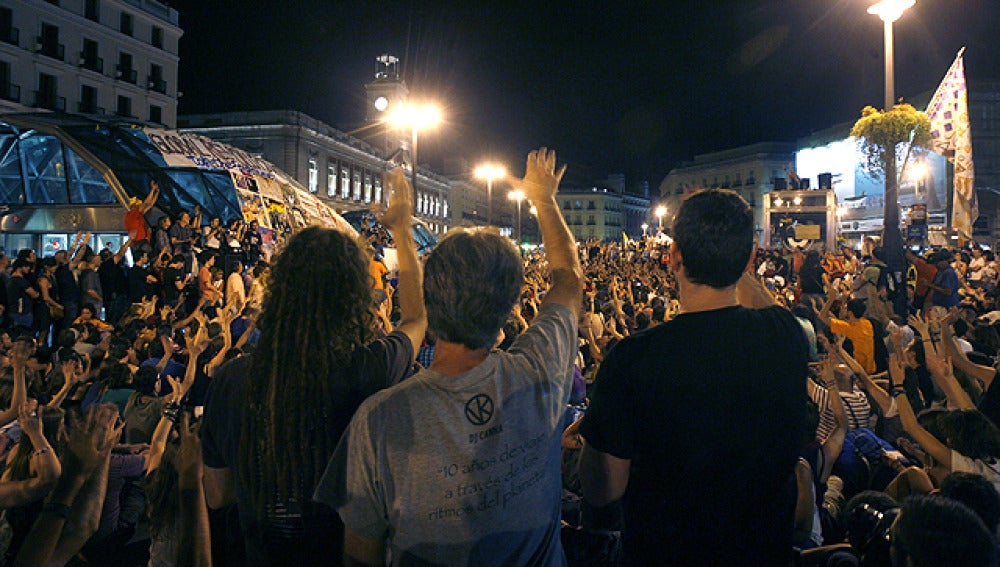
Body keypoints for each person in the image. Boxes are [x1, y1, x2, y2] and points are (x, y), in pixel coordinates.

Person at [317, 148, 581, 565]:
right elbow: (568, 278)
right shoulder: (540, 370)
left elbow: (360, 557)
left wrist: (402, 230)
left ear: (432, 304)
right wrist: (543, 199)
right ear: (511, 309)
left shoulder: (380, 418)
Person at [200, 166, 427, 566]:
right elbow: (415, 321)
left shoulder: (233, 378)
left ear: (279, 291)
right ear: (354, 297)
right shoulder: (368, 369)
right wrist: (403, 230)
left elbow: (218, 495)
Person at [577, 188, 808, 565]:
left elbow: (602, 488)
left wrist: (593, 433)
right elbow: (764, 303)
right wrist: (731, 253)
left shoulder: (633, 358)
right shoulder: (786, 334)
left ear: (673, 258)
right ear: (751, 259)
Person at [124, 179, 160, 246]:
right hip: (139, 242)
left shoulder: (137, 214)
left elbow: (150, 204)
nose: (141, 205)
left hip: (142, 241)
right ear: (135, 206)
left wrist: (157, 192)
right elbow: (146, 203)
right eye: (139, 204)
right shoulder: (132, 214)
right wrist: (152, 190)